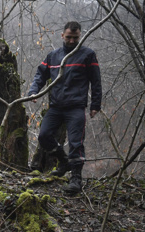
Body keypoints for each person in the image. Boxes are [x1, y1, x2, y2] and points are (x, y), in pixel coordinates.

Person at [28, 21, 102, 194]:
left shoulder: (87, 55)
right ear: (62, 35)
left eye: (75, 38)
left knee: (76, 143)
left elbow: (96, 81)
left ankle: (76, 179)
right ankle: (63, 161)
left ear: (80, 36)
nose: (71, 41)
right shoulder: (53, 56)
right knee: (44, 136)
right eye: (68, 37)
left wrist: (95, 105)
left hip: (76, 107)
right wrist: (34, 92)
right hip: (56, 106)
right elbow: (40, 74)